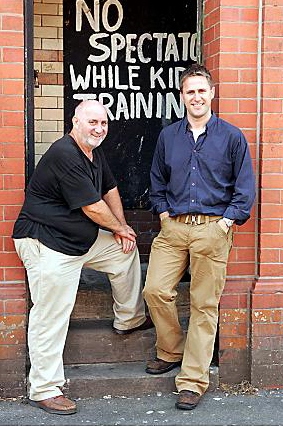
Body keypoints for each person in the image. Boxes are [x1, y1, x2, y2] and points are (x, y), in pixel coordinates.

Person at [12, 99, 153, 415]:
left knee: (123, 251)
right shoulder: (65, 154)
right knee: (51, 313)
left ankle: (129, 319)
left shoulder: (93, 152)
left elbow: (110, 189)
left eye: (103, 123)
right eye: (92, 122)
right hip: (46, 242)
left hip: (77, 241)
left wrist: (122, 229)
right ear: (74, 122)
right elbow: (92, 207)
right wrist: (117, 225)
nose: (98, 129)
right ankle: (44, 388)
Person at [143, 64, 256, 410]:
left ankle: (192, 379)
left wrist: (225, 224)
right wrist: (162, 213)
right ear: (182, 96)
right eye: (189, 91)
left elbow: (244, 188)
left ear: (211, 94)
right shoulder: (169, 136)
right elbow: (157, 180)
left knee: (204, 304)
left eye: (201, 90)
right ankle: (172, 349)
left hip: (213, 229)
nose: (196, 97)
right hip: (174, 226)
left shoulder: (231, 137)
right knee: (155, 290)